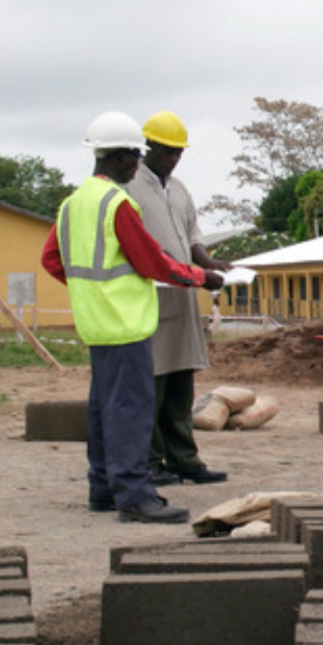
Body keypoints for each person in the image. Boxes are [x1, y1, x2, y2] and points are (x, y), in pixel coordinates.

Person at [41, 112, 224, 524]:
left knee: (104, 410)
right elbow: (151, 261)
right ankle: (135, 495)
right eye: (136, 156)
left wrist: (90, 290)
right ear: (123, 157)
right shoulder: (117, 202)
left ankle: (103, 488)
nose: (138, 164)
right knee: (131, 412)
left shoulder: (73, 204)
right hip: (125, 324)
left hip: (96, 325)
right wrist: (201, 277)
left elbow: (52, 260)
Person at [125, 110, 229, 486]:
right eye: (167, 152)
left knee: (181, 385)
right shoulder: (129, 188)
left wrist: (208, 263)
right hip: (151, 300)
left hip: (183, 298)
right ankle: (152, 460)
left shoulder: (181, 189)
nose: (173, 159)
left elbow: (193, 236)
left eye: (178, 153)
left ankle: (184, 458)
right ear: (148, 147)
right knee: (152, 385)